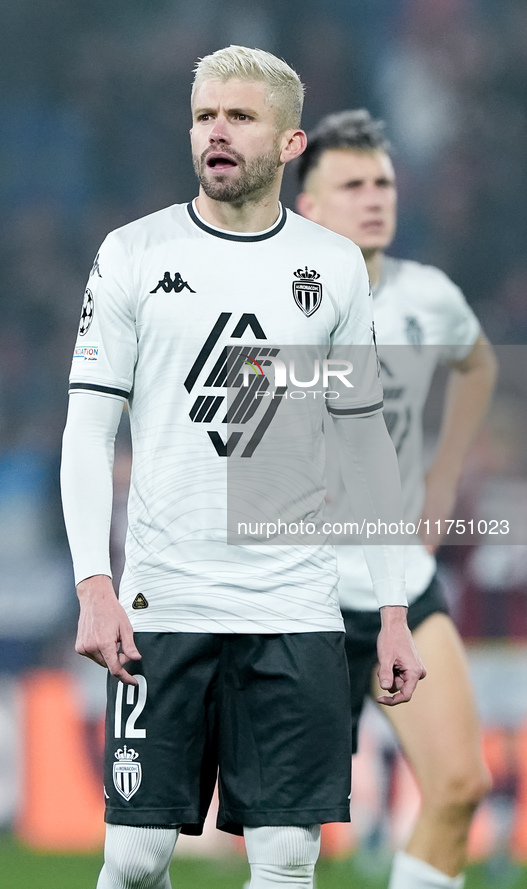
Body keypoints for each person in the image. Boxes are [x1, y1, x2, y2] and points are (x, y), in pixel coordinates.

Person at [60, 51, 425, 889]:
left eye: (239, 117)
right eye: (202, 116)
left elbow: (365, 438)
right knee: (138, 856)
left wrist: (395, 605)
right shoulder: (133, 254)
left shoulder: (331, 266)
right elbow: (88, 429)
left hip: (294, 606)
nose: (215, 131)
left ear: (290, 141)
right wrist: (93, 582)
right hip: (165, 600)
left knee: (288, 859)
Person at [296, 109, 497, 889]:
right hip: (303, 596)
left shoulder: (428, 294)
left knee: (457, 787)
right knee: (289, 830)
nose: (374, 197)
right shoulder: (278, 299)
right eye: (351, 184)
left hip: (402, 586)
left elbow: (476, 366)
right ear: (308, 207)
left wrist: (445, 472)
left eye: (382, 181)